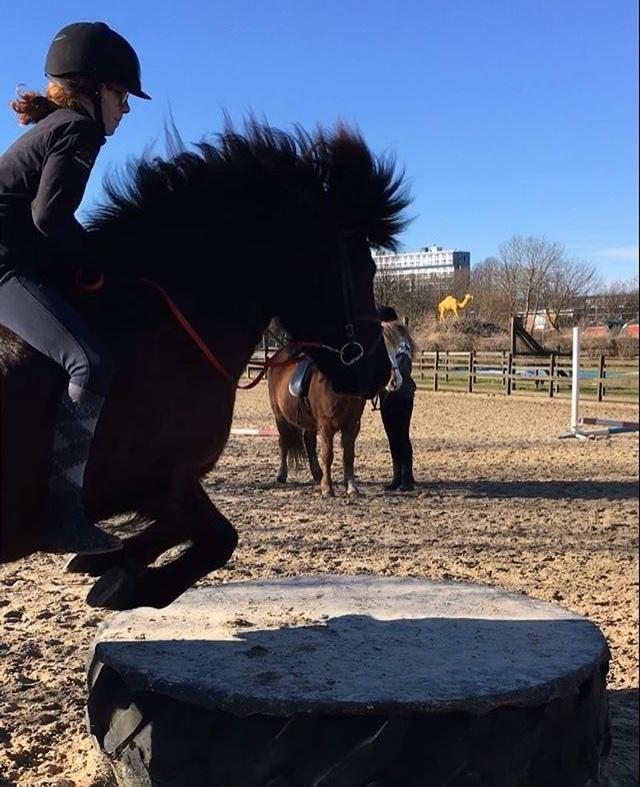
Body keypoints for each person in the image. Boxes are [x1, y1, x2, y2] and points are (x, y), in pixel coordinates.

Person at [0, 22, 150, 554]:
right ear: (93, 89)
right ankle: (62, 512)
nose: (125, 110)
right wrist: (100, 261)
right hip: (4, 268)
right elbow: (50, 217)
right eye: (122, 96)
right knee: (90, 362)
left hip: (16, 257)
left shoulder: (57, 125)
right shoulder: (78, 130)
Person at [377, 305, 416, 492]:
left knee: (398, 435)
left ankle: (404, 477)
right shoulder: (400, 338)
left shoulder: (393, 338)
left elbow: (398, 365)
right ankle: (400, 476)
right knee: (397, 435)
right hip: (400, 392)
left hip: (396, 392)